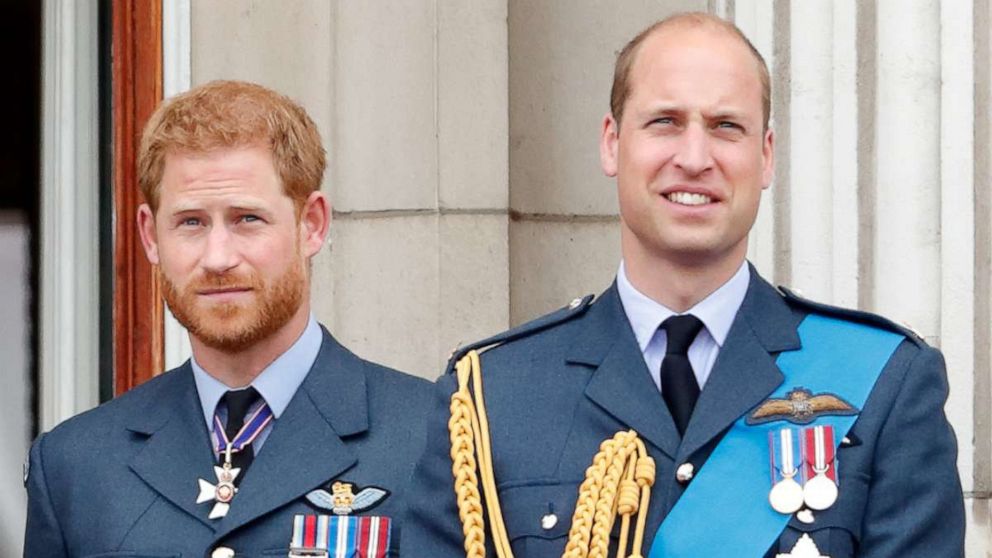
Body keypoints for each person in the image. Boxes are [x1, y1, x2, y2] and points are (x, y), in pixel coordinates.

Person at [402, 13, 964, 558]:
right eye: (665, 121)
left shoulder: (887, 384)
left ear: (765, 156)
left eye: (726, 127)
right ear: (611, 142)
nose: (694, 158)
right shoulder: (491, 397)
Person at [24, 80, 431, 558]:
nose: (218, 258)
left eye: (246, 219)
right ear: (151, 236)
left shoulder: (433, 438)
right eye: (191, 222)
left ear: (312, 224)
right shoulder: (76, 464)